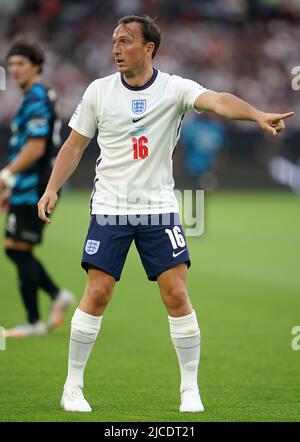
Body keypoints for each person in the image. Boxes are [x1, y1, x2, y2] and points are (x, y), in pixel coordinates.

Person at [37, 15, 294, 413]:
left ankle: (189, 389)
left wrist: (258, 114)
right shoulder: (99, 92)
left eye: (125, 42)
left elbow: (219, 100)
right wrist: (52, 187)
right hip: (110, 207)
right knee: (99, 292)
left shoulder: (175, 88)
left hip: (160, 208)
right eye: (114, 41)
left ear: (148, 47)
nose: (116, 49)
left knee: (176, 294)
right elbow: (74, 146)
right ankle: (72, 386)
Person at [0, 38, 75, 337]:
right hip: (27, 186)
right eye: (12, 64)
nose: (15, 70)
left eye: (21, 64)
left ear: (37, 67)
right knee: (16, 249)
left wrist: (7, 175)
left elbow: (35, 147)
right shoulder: (37, 95)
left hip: (35, 187)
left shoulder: (36, 98)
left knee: (18, 248)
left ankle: (34, 320)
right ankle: (54, 298)